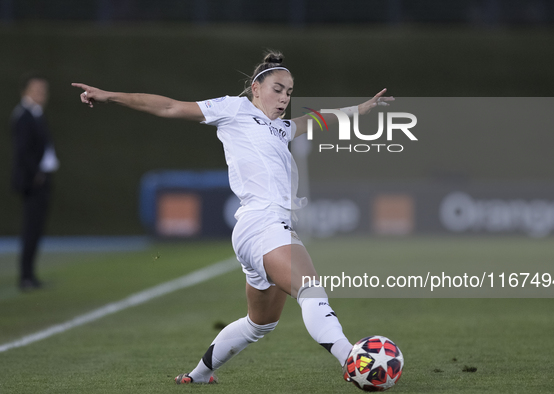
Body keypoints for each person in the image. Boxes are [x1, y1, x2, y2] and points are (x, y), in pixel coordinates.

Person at [72, 51, 393, 385]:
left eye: (289, 92)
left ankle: (198, 376)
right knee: (311, 291)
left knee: (260, 324)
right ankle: (352, 361)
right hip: (263, 224)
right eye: (277, 89)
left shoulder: (281, 129)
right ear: (256, 88)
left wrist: (361, 109)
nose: (284, 98)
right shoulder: (235, 109)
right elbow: (169, 106)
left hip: (257, 231)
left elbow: (319, 120)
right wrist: (110, 96)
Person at [11, 73, 59, 291]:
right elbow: (22, 152)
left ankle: (30, 274)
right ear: (25, 92)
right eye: (37, 90)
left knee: (36, 229)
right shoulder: (24, 116)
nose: (42, 94)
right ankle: (26, 277)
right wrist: (36, 174)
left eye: (43, 90)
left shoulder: (36, 114)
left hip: (41, 178)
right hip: (33, 182)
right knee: (31, 229)